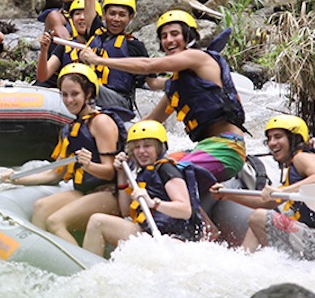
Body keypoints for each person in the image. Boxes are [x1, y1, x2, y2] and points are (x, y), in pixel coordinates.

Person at [80, 9, 246, 182]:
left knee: (162, 175)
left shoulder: (198, 57)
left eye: (175, 34)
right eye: (164, 36)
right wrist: (111, 140)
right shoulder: (177, 85)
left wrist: (98, 60)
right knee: (152, 169)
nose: (169, 40)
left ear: (189, 36)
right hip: (205, 147)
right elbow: (151, 119)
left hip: (227, 147)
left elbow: (147, 65)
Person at [1, 63, 130, 245]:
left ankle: (79, 267)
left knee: (55, 222)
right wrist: (16, 178)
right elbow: (56, 173)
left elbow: (110, 171)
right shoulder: (70, 129)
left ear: (89, 94)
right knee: (40, 207)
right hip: (85, 192)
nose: (69, 100)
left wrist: (89, 166)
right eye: (65, 94)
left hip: (109, 194)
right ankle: (37, 259)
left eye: (75, 94)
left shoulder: (101, 122)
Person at [212, 115, 315, 261]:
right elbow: (268, 202)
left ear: (294, 138)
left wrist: (282, 191)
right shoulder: (295, 171)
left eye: (278, 137)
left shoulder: (303, 157)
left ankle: (275, 265)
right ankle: (242, 263)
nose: (272, 143)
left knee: (259, 217)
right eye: (269, 138)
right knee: (257, 222)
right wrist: (228, 195)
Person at [83, 120, 204, 256]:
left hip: (175, 238)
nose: (141, 151)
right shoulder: (143, 173)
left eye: (147, 146)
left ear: (159, 148)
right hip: (148, 233)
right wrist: (122, 173)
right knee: (97, 221)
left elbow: (185, 210)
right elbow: (126, 211)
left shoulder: (167, 169)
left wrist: (153, 203)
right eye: (136, 147)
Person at [35, 0, 102, 89]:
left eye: (86, 13)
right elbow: (43, 76)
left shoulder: (104, 44)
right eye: (77, 14)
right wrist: (44, 50)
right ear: (72, 20)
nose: (82, 18)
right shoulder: (65, 45)